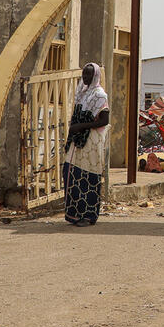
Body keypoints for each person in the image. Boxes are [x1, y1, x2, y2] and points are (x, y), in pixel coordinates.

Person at [63, 62, 110, 225]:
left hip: (90, 142)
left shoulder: (100, 95)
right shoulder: (81, 93)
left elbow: (105, 119)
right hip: (76, 140)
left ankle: (88, 215)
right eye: (84, 74)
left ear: (95, 76)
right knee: (70, 173)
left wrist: (81, 126)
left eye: (89, 75)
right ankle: (74, 213)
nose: (85, 77)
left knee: (87, 178)